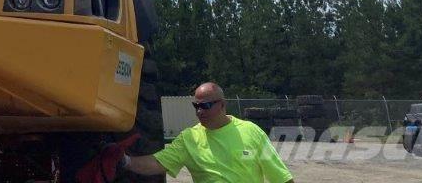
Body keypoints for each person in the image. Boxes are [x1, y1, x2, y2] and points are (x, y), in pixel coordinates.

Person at [81, 82, 293, 182]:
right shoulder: (190, 138)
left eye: (206, 106)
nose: (200, 111)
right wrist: (124, 161)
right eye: (196, 106)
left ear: (222, 105)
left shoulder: (252, 132)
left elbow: (281, 177)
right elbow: (157, 163)